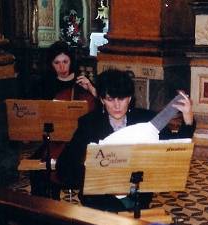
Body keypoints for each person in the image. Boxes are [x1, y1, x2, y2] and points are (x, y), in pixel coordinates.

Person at [56, 69, 196, 212]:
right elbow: (65, 166)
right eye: (110, 99)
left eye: (122, 99)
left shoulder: (146, 121)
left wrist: (188, 119)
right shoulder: (89, 123)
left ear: (129, 98)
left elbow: (174, 149)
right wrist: (90, 172)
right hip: (100, 198)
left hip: (136, 196)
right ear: (102, 100)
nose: (117, 106)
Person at [28, 41, 99, 199]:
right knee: (38, 170)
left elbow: (101, 110)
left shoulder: (83, 84)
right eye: (57, 63)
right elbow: (35, 113)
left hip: (78, 141)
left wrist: (93, 89)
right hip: (53, 141)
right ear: (51, 64)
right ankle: (45, 210)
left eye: (65, 62)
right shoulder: (44, 84)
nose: (62, 67)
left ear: (71, 61)